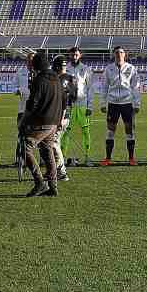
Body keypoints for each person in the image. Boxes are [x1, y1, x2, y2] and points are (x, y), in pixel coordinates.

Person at [20, 51, 66, 197]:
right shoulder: (57, 79)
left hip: (42, 122)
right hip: (54, 122)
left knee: (25, 148)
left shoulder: (39, 80)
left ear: (36, 65)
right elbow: (64, 102)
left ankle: (40, 182)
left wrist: (24, 121)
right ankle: (53, 186)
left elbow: (32, 104)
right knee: (47, 152)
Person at [99, 46, 140, 166]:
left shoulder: (131, 68)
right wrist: (103, 103)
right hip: (113, 104)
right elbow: (104, 87)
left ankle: (131, 158)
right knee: (110, 131)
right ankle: (107, 158)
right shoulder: (108, 69)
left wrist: (137, 103)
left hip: (127, 103)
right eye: (116, 52)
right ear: (114, 54)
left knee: (129, 131)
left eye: (121, 52)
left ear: (125, 54)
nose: (119, 54)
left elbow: (135, 87)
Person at [62, 47, 95, 167]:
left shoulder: (86, 69)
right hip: (69, 105)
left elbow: (90, 88)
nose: (74, 57)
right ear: (69, 56)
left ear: (80, 55)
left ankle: (87, 157)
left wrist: (89, 106)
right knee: (65, 132)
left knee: (86, 131)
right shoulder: (65, 69)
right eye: (72, 55)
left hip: (82, 104)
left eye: (76, 54)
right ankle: (62, 158)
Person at [51, 55, 77, 182]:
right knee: (56, 142)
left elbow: (62, 100)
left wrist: (60, 117)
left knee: (54, 143)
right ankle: (55, 169)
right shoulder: (72, 78)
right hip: (67, 114)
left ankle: (61, 172)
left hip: (59, 115)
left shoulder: (56, 79)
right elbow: (74, 97)